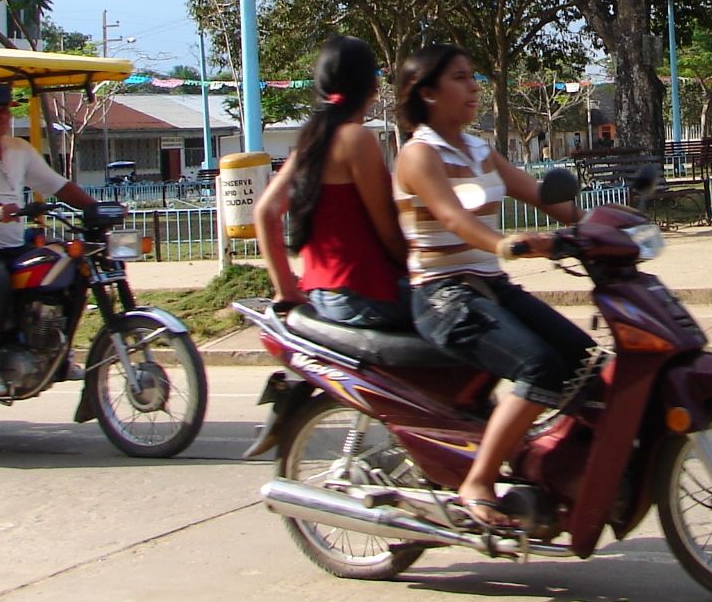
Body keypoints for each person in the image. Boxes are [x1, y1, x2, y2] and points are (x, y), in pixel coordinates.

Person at [394, 43, 594, 530]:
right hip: (444, 296)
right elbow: (452, 216)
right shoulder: (419, 154)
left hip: (490, 286)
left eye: (473, 76)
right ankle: (478, 480)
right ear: (428, 94)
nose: (473, 87)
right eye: (460, 78)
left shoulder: (480, 148)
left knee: (584, 360)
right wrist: (505, 244)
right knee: (540, 366)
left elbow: (538, 193)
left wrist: (603, 226)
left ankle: (540, 458)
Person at [0, 81, 99, 397]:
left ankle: (59, 353)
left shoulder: (19, 150)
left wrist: (96, 207)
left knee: (73, 268)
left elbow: (58, 185)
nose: (1, 116)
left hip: (11, 245)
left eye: (5, 110)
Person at [253, 35, 409, 329]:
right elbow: (389, 233)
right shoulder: (357, 139)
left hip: (324, 295)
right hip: (369, 295)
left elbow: (265, 212)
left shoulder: (312, 141)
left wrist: (286, 289)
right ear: (372, 86)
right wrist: (419, 269)